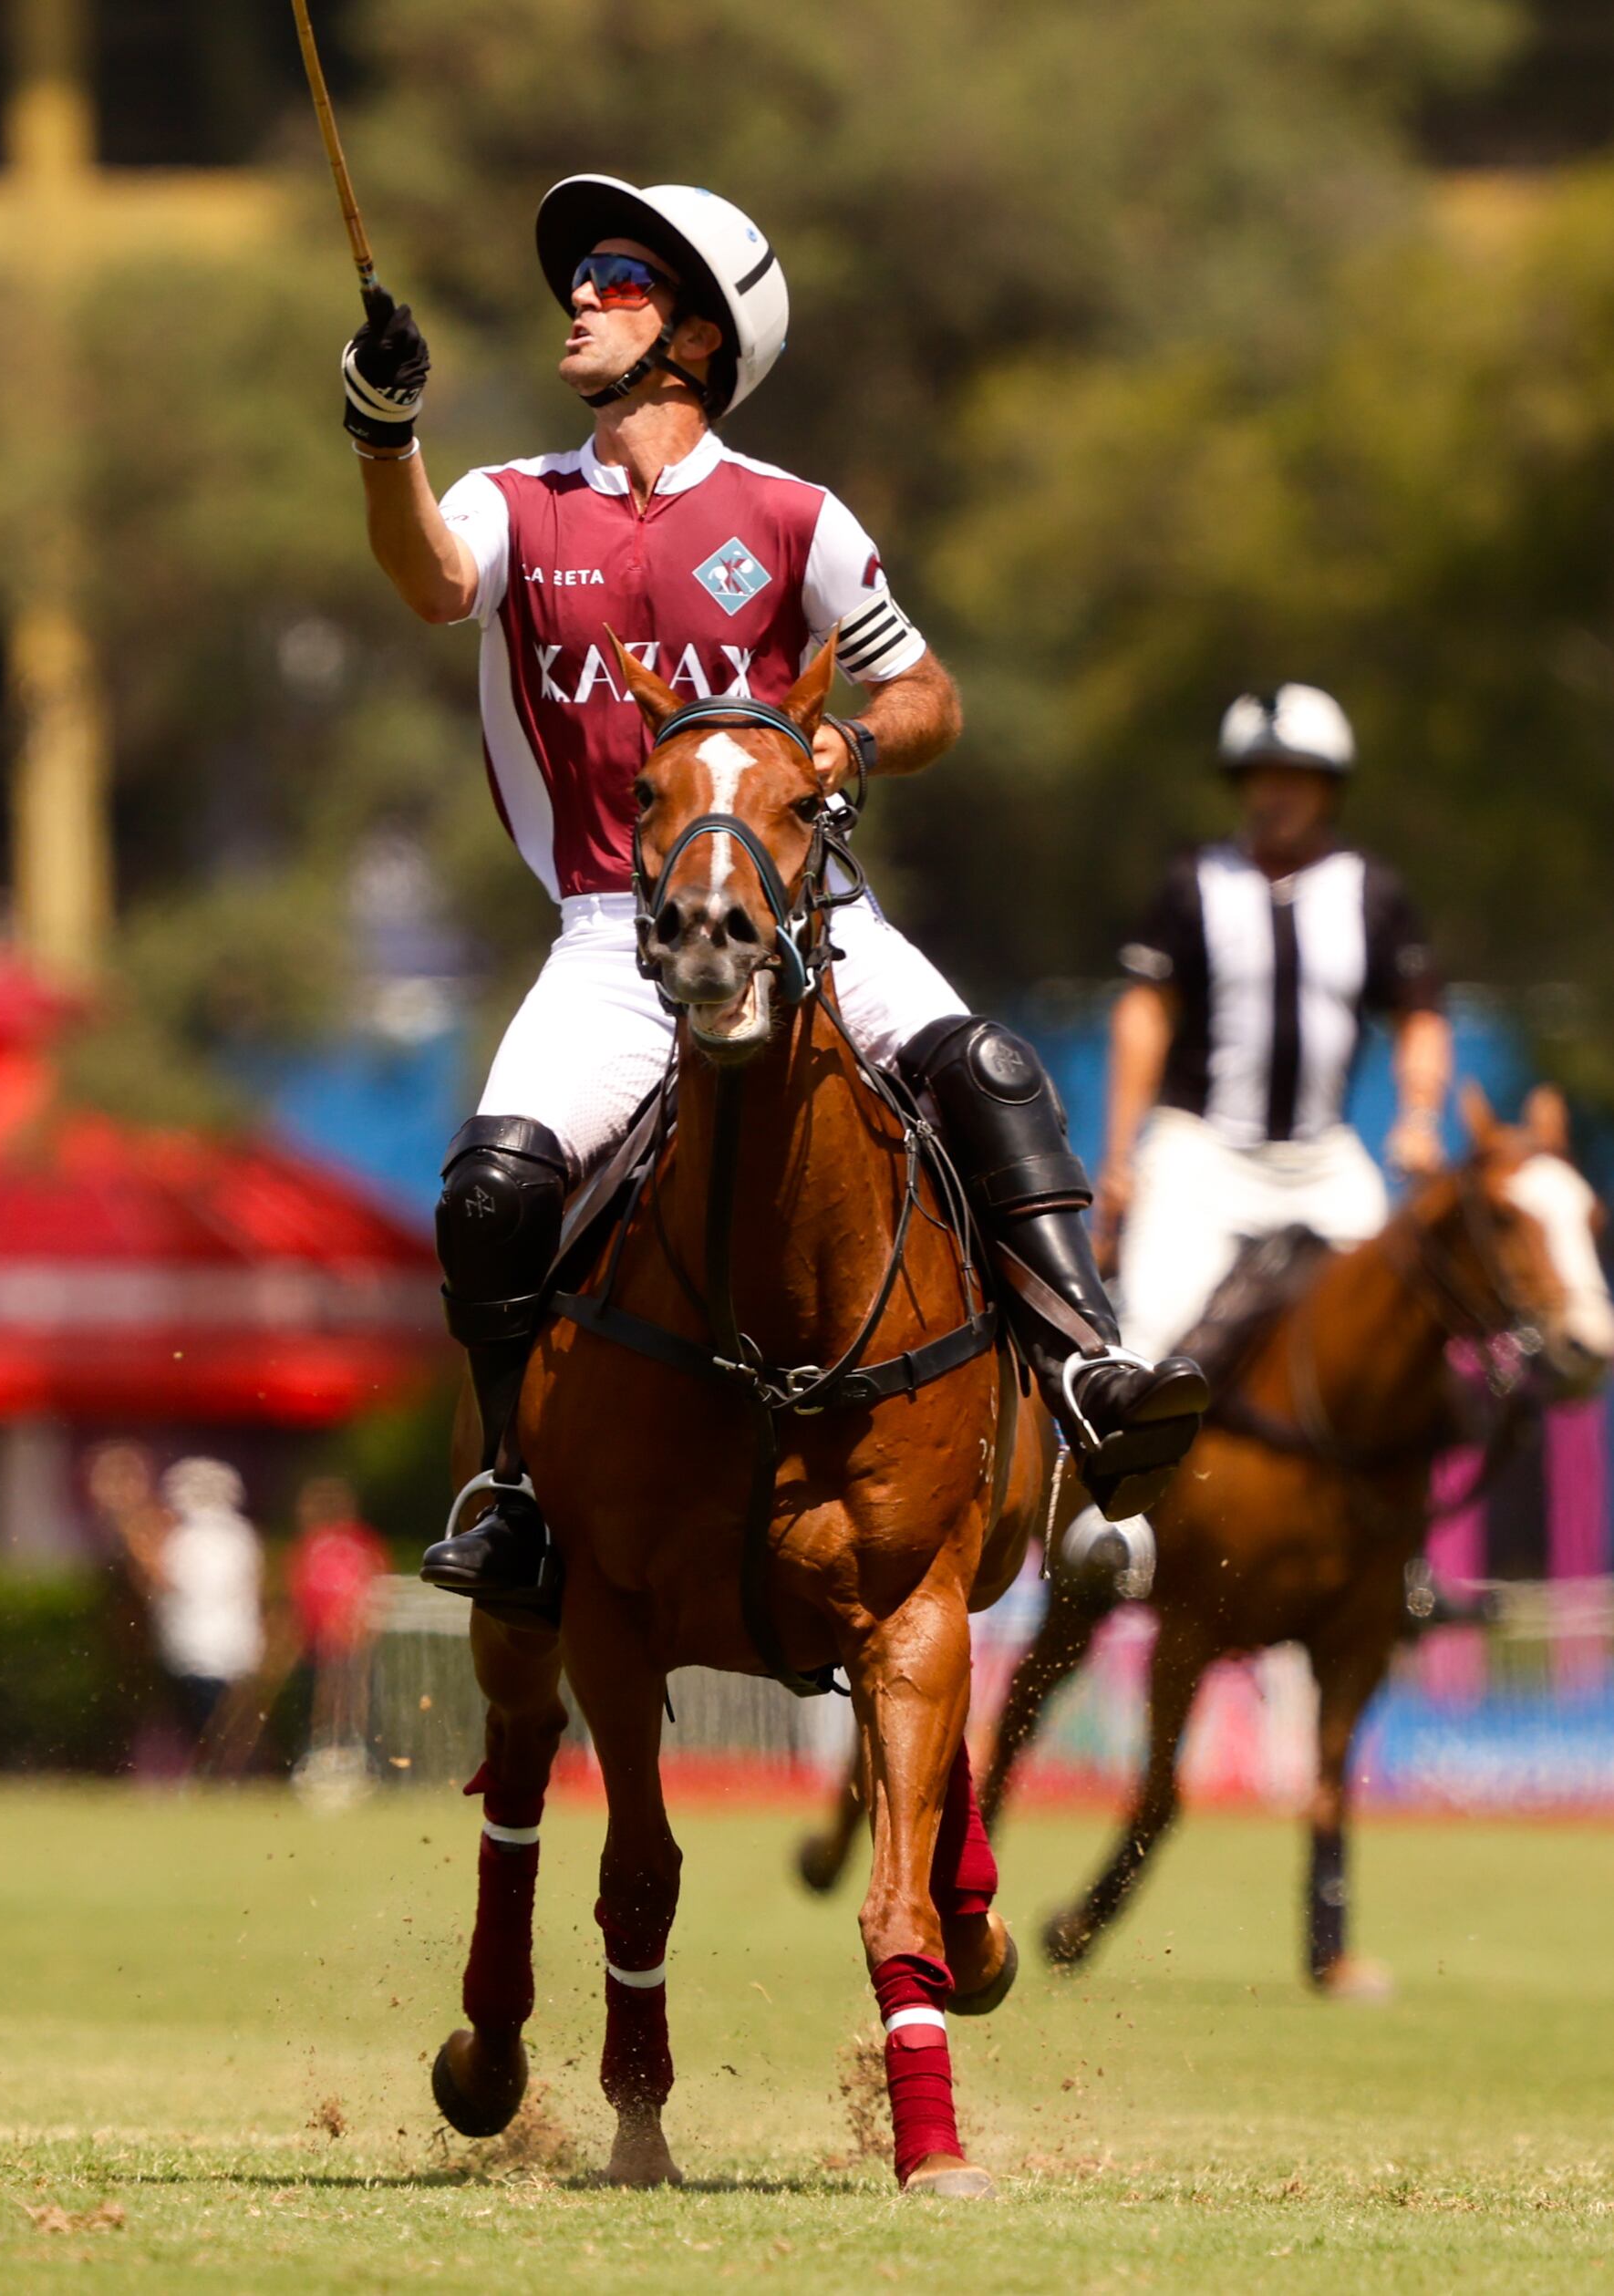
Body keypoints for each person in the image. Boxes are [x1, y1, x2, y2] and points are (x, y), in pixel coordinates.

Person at [344, 176, 1210, 1621]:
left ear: (695, 335)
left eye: (616, 277)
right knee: (492, 1182)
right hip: (612, 940)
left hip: (804, 927)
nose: (580, 294)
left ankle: (1084, 1373)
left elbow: (925, 690)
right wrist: (385, 438)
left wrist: (848, 743)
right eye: (586, 275)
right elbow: (431, 577)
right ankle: (507, 1489)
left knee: (986, 1070)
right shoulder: (511, 502)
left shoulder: (791, 516)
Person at [1099, 682, 1464, 1612]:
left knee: (1395, 1327)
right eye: (1259, 778)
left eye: (1294, 779)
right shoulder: (1192, 885)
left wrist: (1418, 1115)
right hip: (1199, 1149)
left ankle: (1396, 1553)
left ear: (1327, 788)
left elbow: (1420, 1015)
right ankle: (1117, 1526)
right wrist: (1119, 1154)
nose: (1275, 796)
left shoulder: (1373, 894)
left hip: (1322, 1155)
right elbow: (1144, 1015)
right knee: (1151, 1326)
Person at [150, 1457, 267, 1760]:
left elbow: (169, 1582)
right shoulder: (240, 1534)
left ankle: (218, 1767)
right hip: (231, 1641)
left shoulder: (186, 1538)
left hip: (199, 1643)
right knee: (229, 1716)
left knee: (204, 1716)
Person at [285, 1477, 390, 1805]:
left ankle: (355, 1758)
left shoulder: (360, 1543)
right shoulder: (312, 1545)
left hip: (356, 1638)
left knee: (355, 1700)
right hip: (322, 1642)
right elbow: (301, 1591)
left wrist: (362, 1625)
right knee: (326, 1701)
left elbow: (378, 1586)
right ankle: (325, 1755)